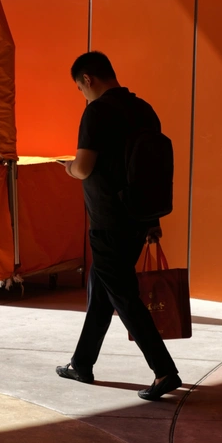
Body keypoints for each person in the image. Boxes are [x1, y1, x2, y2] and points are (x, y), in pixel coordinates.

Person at [56, 51, 182, 401]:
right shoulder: (144, 110)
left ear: (87, 79)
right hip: (138, 217)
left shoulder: (96, 112)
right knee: (103, 288)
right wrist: (152, 221)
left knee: (123, 296)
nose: (83, 94)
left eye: (80, 88)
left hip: (108, 219)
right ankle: (82, 364)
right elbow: (150, 171)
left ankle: (164, 371)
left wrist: (68, 168)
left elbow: (84, 167)